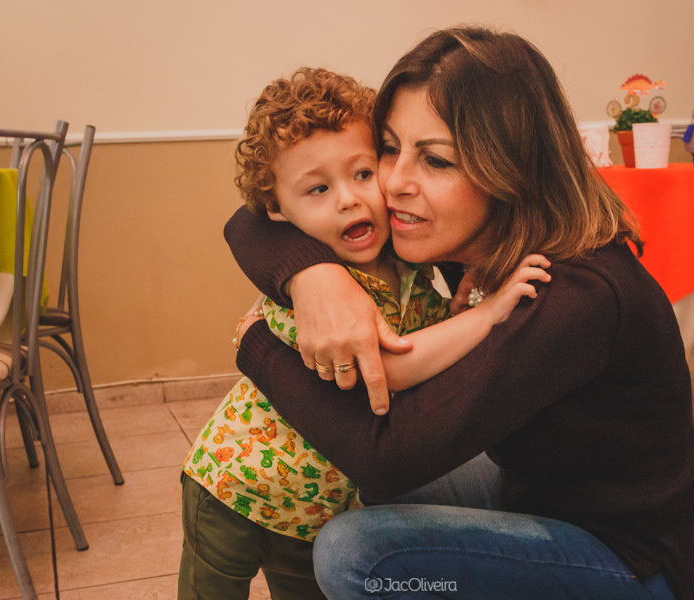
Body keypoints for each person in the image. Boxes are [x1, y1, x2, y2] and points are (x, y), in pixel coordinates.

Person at [227, 27, 694, 600]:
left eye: (435, 160)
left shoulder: (575, 294)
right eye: (388, 148)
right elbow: (249, 220)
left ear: (510, 168)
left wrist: (257, 348)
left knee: (359, 555)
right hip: (535, 492)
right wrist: (314, 277)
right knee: (358, 492)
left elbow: (385, 457)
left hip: (631, 566)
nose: (393, 182)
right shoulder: (474, 235)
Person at [180, 66, 549, 600]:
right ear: (277, 211)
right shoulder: (312, 295)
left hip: (315, 507)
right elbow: (393, 367)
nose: (350, 200)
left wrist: (467, 302)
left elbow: (437, 349)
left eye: (361, 174)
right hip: (231, 489)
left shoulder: (415, 273)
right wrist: (488, 315)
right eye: (318, 189)